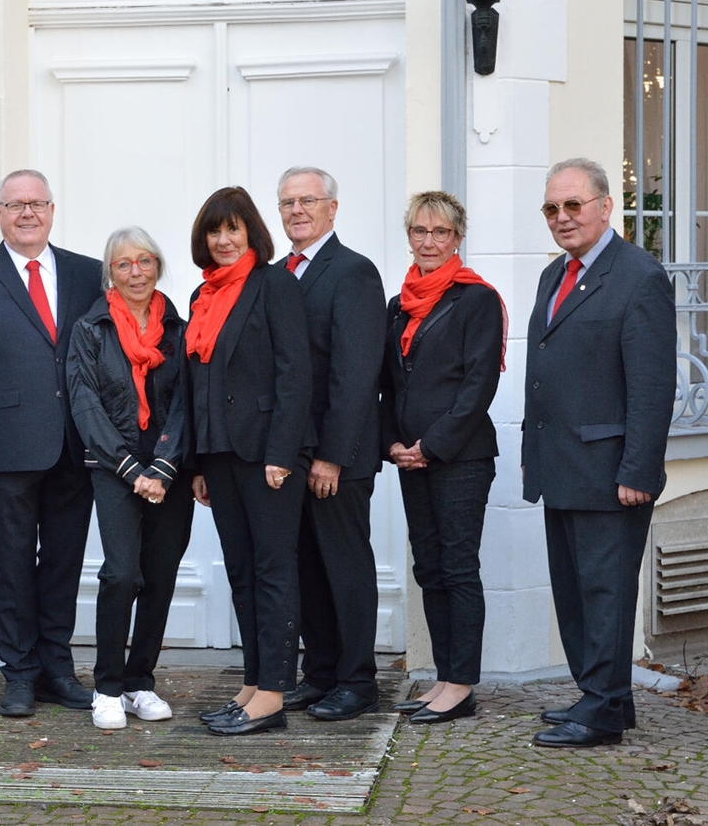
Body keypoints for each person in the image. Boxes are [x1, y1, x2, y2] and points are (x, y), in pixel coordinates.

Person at [523, 158, 675, 748]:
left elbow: (652, 386)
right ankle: (599, 694)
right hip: (560, 465)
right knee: (574, 594)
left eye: (573, 205)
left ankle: (604, 711)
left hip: (611, 473)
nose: (562, 217)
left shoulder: (639, 276)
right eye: (551, 208)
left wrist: (639, 469)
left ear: (605, 207)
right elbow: (547, 370)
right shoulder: (553, 274)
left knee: (605, 594)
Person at [0, 170, 102, 717]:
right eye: (15, 205)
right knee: (11, 567)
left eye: (37, 204)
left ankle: (58, 669)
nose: (27, 213)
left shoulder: (87, 273)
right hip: (5, 449)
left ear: (52, 210)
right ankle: (20, 674)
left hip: (75, 446)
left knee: (63, 564)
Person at [187, 186, 314, 737]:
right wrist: (197, 463)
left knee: (273, 570)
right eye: (214, 230)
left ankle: (274, 694)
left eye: (233, 229)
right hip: (219, 456)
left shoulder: (274, 284)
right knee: (241, 570)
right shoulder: (202, 294)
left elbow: (295, 373)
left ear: (251, 232)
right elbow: (198, 386)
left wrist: (283, 453)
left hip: (268, 455)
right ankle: (253, 683)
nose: (223, 240)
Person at [381, 191, 506, 725]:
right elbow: (388, 385)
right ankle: (443, 676)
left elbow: (477, 388)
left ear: (457, 238)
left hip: (460, 459)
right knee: (428, 568)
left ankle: (461, 684)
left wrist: (430, 447)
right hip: (410, 459)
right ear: (409, 236)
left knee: (457, 567)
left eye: (441, 232)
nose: (429, 241)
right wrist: (392, 442)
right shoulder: (398, 304)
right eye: (420, 231)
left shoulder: (476, 300)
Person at [66, 227, 194, 730]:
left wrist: (163, 467)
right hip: (114, 467)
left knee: (160, 575)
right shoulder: (90, 329)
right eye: (123, 264)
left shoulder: (178, 329)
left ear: (157, 266)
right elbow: (84, 402)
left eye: (144, 261)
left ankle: (141, 682)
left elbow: (188, 403)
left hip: (169, 470)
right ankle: (108, 688)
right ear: (110, 274)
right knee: (121, 574)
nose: (135, 272)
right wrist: (129, 469)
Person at [274, 167, 387, 722]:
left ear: (332, 208)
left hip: (336, 456)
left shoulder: (354, 272)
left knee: (344, 568)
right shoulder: (276, 274)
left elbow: (356, 373)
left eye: (308, 201)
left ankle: (357, 681)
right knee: (306, 571)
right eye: (288, 202)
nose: (297, 210)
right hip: (289, 457)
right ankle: (319, 674)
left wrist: (331, 455)